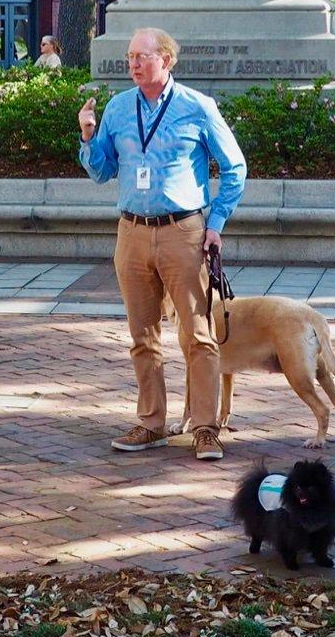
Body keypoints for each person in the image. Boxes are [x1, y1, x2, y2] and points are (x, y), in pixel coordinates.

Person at [77, 27, 246, 462]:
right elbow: (101, 172)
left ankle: (206, 428)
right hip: (131, 232)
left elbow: (235, 167)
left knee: (198, 334)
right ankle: (152, 423)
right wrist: (88, 137)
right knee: (142, 336)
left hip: (183, 230)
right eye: (130, 56)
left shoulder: (196, 107)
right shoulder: (117, 108)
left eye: (142, 56)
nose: (132, 64)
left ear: (166, 60)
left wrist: (217, 222)